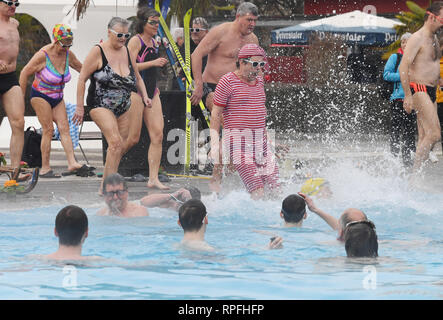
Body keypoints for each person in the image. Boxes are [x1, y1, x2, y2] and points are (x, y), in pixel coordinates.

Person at [75, 17, 151, 194]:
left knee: (117, 148)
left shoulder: (126, 51)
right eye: (119, 34)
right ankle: (106, 187)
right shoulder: (98, 51)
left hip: (123, 106)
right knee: (115, 142)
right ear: (109, 32)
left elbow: (138, 78)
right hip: (99, 105)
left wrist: (146, 97)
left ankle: (107, 184)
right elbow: (81, 79)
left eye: (126, 35)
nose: (123, 38)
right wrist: (80, 107)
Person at [190, 2, 259, 193]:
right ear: (238, 17)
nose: (252, 24)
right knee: (227, 123)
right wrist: (197, 85)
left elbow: (256, 67)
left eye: (255, 20)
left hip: (236, 91)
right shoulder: (220, 32)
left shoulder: (252, 39)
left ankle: (229, 171)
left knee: (239, 131)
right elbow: (196, 55)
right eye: (249, 20)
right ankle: (217, 176)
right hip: (211, 87)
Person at [211, 44, 280, 200]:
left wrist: (269, 142)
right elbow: (215, 114)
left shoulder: (260, 82)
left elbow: (259, 113)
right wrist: (215, 145)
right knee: (258, 191)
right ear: (242, 62)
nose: (258, 69)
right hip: (239, 148)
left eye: (261, 65)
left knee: (276, 191)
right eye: (255, 64)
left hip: (261, 145)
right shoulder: (227, 81)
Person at [19, 24, 88, 178]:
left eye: (70, 43)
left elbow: (82, 69)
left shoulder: (68, 54)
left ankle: (72, 163)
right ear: (56, 41)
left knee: (65, 128)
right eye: (64, 43)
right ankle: (45, 167)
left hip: (57, 97)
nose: (67, 47)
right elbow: (24, 73)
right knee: (48, 129)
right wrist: (20, 99)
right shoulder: (43, 55)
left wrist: (98, 71)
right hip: (40, 95)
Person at [127, 7, 169, 190]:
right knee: (132, 138)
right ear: (143, 23)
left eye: (157, 22)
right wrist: (153, 62)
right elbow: (129, 66)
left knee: (158, 135)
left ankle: (153, 178)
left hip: (153, 92)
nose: (155, 25)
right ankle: (111, 165)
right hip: (135, 92)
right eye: (152, 22)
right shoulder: (135, 41)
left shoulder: (154, 42)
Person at [399, 2, 443, 175]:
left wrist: (439, 80)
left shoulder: (434, 39)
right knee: (434, 134)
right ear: (431, 17)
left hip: (432, 90)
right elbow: (404, 66)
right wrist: (408, 96)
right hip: (419, 89)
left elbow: (432, 63)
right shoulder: (417, 38)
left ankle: (414, 178)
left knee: (426, 136)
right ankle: (414, 175)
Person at [0, 0, 26, 181]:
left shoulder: (15, 23)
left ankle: (15, 173)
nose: (13, 6)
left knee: (19, 123)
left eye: (16, 3)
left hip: (9, 77)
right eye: (9, 2)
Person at [383, 32, 417, 167]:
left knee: (410, 131)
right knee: (396, 130)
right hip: (398, 99)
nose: (404, 44)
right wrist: (404, 76)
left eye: (407, 41)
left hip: (415, 100)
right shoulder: (395, 57)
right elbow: (386, 75)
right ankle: (394, 158)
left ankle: (408, 160)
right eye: (403, 42)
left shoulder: (417, 59)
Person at [298, 192, 371, 242]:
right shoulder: (377, 243)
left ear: (341, 233)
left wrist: (315, 210)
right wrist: (315, 210)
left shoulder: (330, 245)